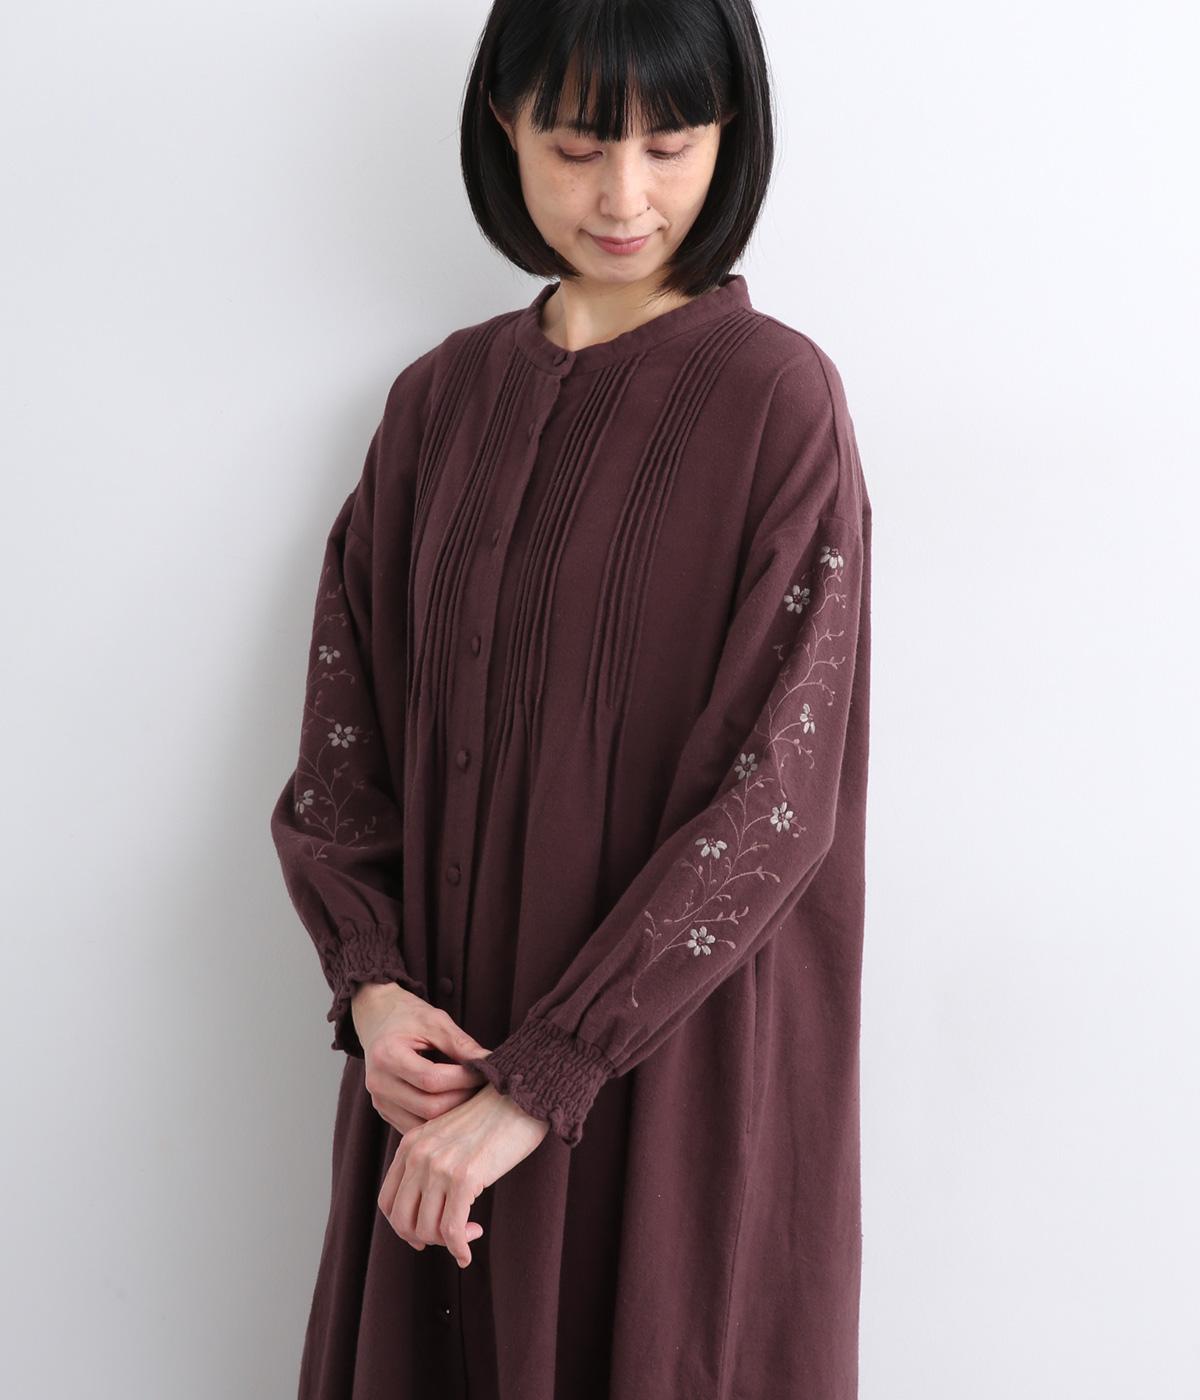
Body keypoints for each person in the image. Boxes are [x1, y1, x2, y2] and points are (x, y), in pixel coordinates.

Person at [268, 1, 872, 1396]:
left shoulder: (778, 399)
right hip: (436, 1077)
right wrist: (371, 989)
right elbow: (345, 743)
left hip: (669, 1081)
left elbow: (780, 800)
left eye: (672, 144)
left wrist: (549, 1075)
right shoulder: (435, 403)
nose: (625, 197)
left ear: (731, 135)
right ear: (506, 126)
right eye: (580, 144)